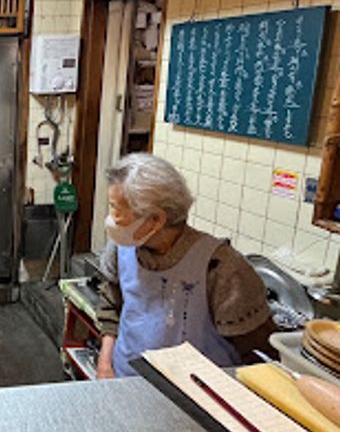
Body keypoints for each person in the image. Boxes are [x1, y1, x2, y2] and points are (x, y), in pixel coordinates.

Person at [96, 153, 276, 379]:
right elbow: (112, 307)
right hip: (126, 378)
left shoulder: (222, 269)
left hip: (197, 391)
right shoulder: (123, 245)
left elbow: (260, 357)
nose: (111, 219)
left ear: (155, 220)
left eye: (116, 209)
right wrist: (105, 363)